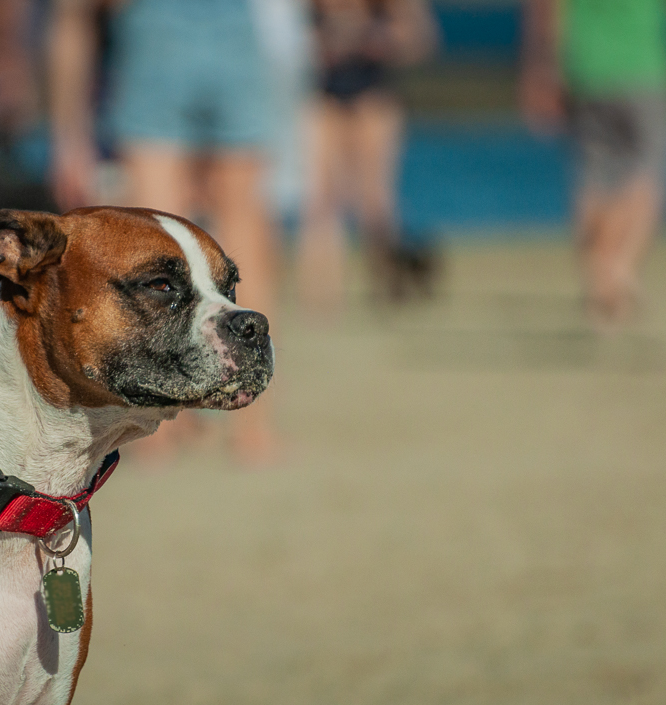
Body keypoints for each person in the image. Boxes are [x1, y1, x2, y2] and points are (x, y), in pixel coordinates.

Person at [49, 0, 280, 464]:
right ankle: (254, 428)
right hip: (234, 28)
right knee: (245, 230)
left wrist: (67, 136)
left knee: (156, 241)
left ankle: (158, 436)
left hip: (155, 32)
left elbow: (72, 17)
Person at [521, 0, 666, 330]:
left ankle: (598, 276)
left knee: (594, 175)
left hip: (585, 67)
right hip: (646, 66)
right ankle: (620, 264)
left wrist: (542, 69)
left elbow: (547, 13)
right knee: (656, 166)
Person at [297, 0, 438, 314]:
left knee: (374, 201)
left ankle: (390, 283)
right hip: (324, 96)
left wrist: (377, 39)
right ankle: (322, 299)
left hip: (372, 96)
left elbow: (420, 39)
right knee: (321, 199)